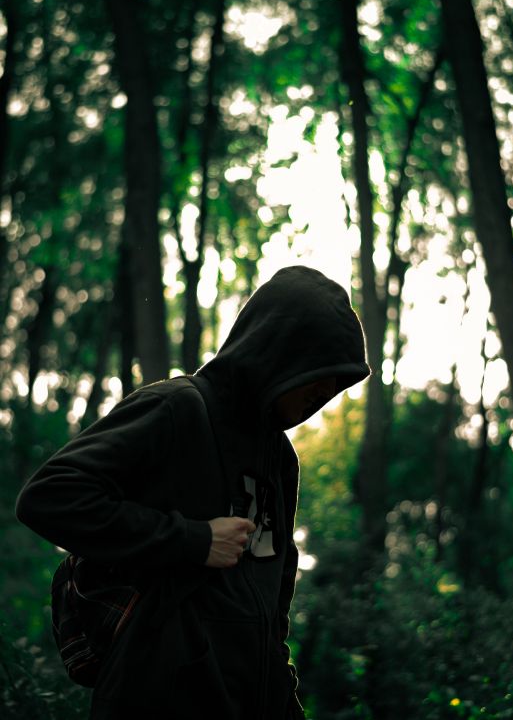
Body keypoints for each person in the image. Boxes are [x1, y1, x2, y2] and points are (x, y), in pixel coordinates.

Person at [15, 264, 370, 720]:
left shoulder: (279, 458)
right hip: (155, 696)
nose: (322, 395)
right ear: (278, 354)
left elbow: (269, 605)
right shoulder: (177, 408)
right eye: (316, 378)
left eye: (335, 386)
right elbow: (48, 497)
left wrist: (282, 701)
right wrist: (194, 540)